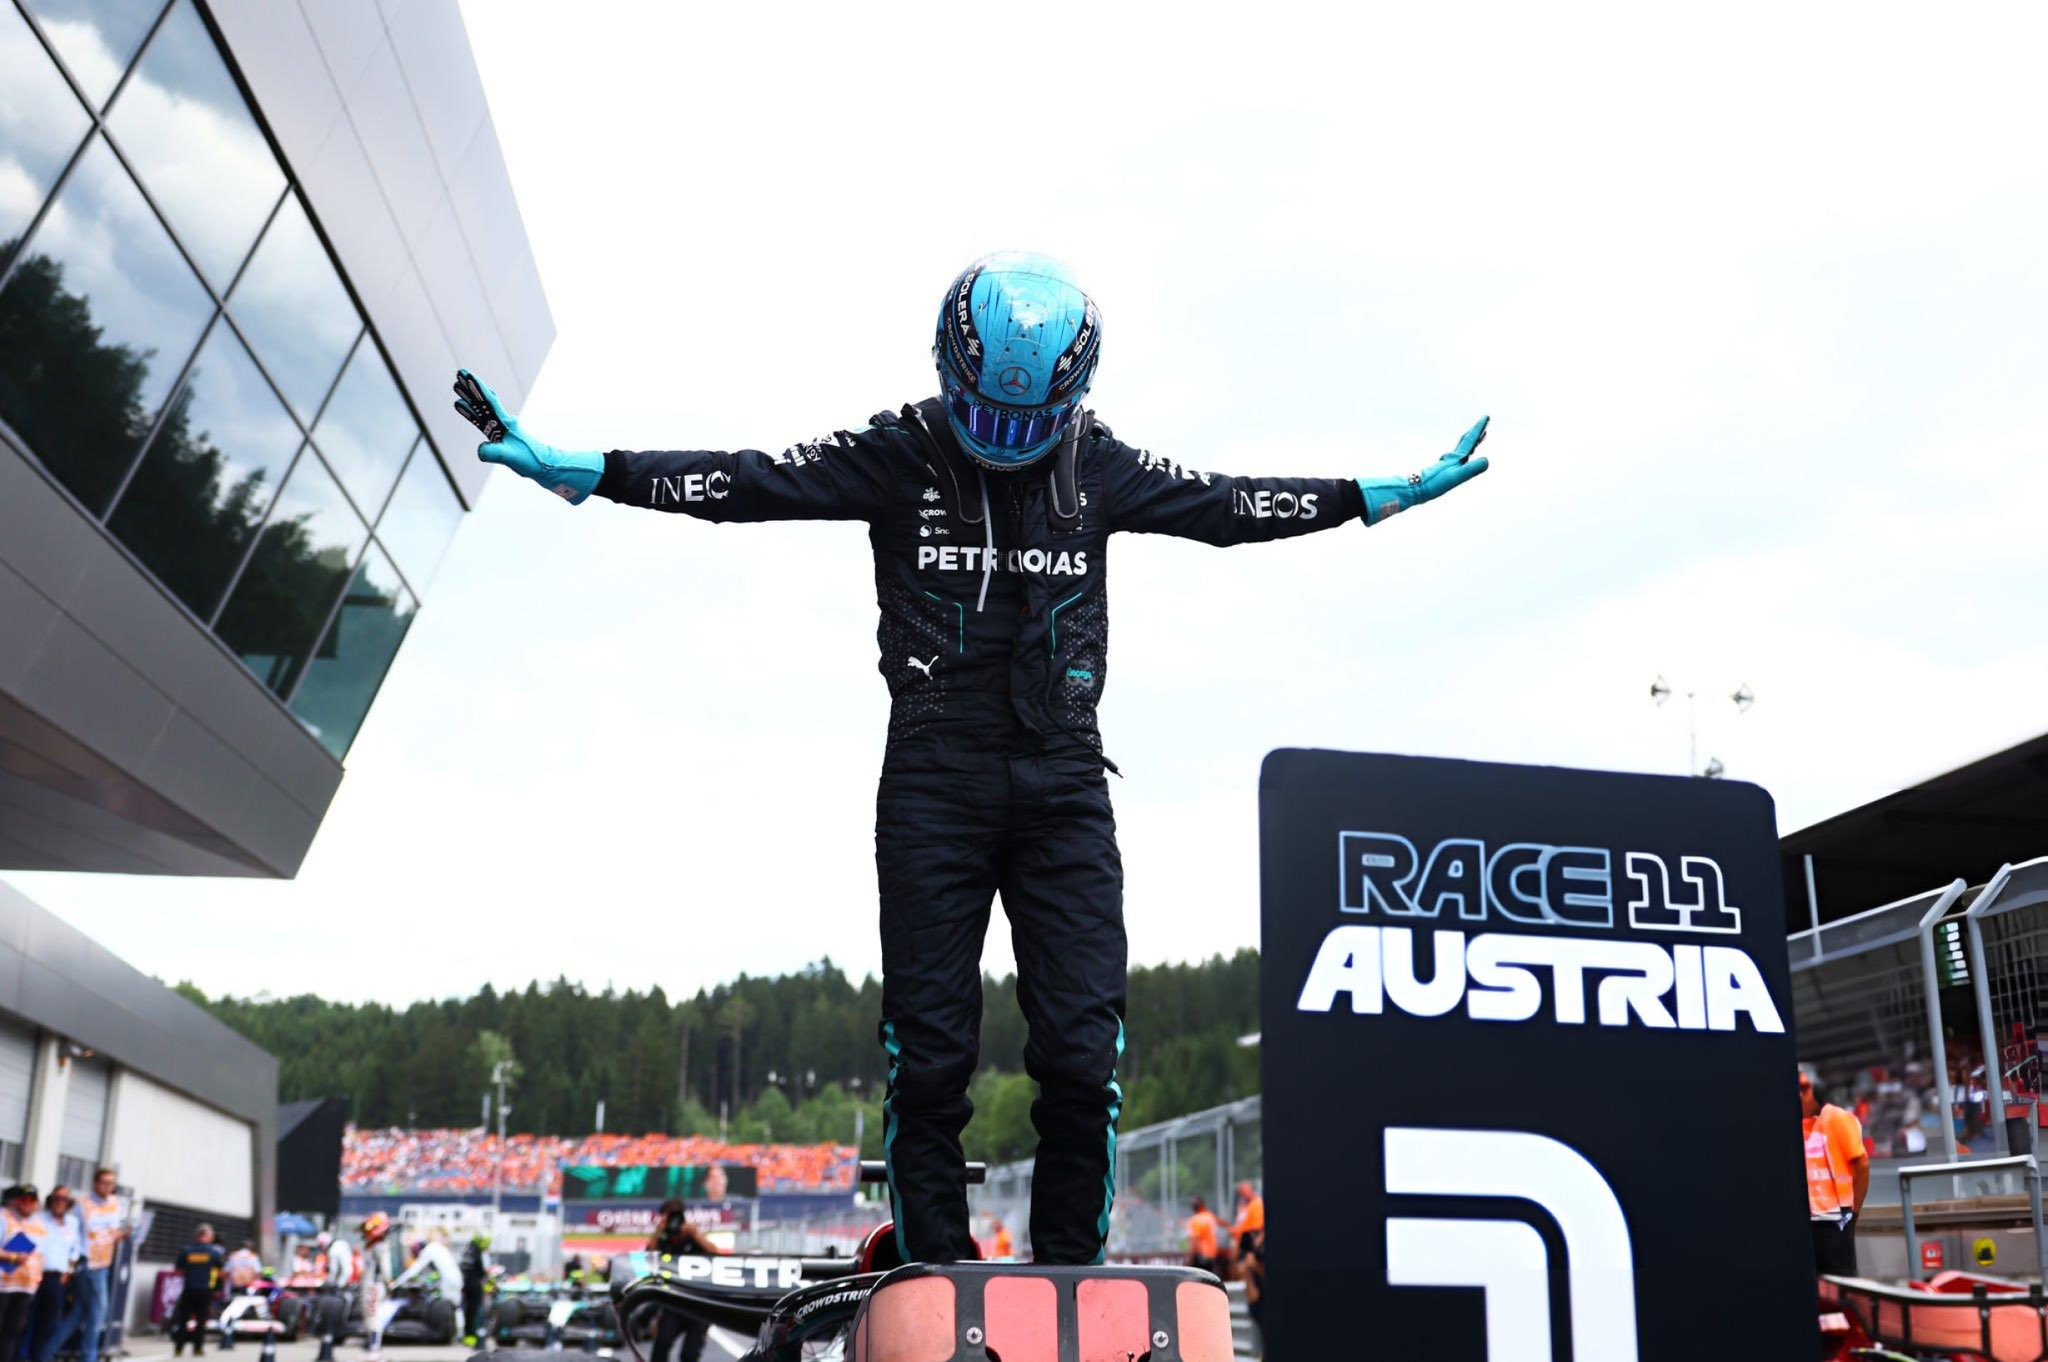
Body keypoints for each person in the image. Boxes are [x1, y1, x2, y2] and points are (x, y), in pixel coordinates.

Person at [454, 251, 1491, 1265]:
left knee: (1082, 1057)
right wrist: (591, 473)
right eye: (982, 416)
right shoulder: (896, 451)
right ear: (946, 374)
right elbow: (747, 481)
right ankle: (934, 1280)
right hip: (932, 782)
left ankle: (1072, 1282)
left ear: (1071, 399)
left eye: (1025, 424)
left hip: (1065, 784)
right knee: (930, 1059)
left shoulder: (1100, 462)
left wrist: (1376, 493)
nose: (1002, 441)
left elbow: (1229, 505)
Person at [41, 1171, 124, 1362]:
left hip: (104, 1263)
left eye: (111, 1183)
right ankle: (89, 1357)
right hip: (89, 1264)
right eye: (104, 1182)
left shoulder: (115, 1204)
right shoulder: (82, 1204)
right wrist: (73, 1263)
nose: (107, 1187)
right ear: (95, 1183)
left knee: (78, 1315)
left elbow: (112, 1232)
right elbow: (72, 1233)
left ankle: (46, 1353)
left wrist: (122, 1235)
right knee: (97, 1314)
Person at [1802, 1070, 1869, 1277]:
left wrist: (1852, 1213)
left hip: (1834, 1219)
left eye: (1805, 1089)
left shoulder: (1836, 1118)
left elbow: (1862, 1165)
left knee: (1839, 1285)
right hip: (1806, 1221)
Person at [647, 1200, 718, 1362]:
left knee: (690, 1355)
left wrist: (696, 1234)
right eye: (668, 1218)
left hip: (698, 1305)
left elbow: (715, 1253)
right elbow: (649, 1255)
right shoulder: (663, 1239)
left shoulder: (694, 1238)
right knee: (661, 1346)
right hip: (673, 1303)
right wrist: (659, 1231)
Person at [26, 1188, 77, 1362]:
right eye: (57, 1199)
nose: (60, 1202)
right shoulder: (39, 1219)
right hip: (34, 1275)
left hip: (56, 1278)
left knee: (48, 1324)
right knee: (24, 1321)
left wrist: (69, 1272)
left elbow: (75, 1251)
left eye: (64, 1199)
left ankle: (39, 1358)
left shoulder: (72, 1223)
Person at [0, 1186, 45, 1362]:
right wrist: (13, 1257)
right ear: (16, 1201)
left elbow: (40, 1254)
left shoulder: (39, 1224)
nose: (27, 1204)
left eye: (31, 1200)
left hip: (25, 1287)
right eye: (23, 1200)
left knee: (13, 1331)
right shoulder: (5, 1218)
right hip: (4, 1286)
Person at [168, 1224, 222, 1358]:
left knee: (183, 1319)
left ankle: (179, 1348)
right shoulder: (214, 1253)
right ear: (207, 1236)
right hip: (205, 1290)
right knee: (201, 1320)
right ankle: (198, 1348)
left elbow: (179, 1270)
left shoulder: (187, 1251)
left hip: (189, 1289)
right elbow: (220, 1273)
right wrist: (217, 1288)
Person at [356, 1214, 391, 1358]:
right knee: (369, 1317)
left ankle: (375, 1349)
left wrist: (390, 1284)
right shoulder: (371, 1247)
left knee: (373, 1317)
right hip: (369, 1286)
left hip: (374, 1287)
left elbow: (386, 1269)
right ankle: (372, 1346)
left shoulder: (380, 1247)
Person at [457, 1232, 489, 1348]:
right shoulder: (477, 1252)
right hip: (475, 1286)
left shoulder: (467, 1250)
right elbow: (481, 1271)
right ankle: (475, 1338)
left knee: (468, 1312)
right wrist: (486, 1278)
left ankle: (468, 1336)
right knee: (476, 1313)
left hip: (465, 1285)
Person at [1185, 1198, 1224, 1277]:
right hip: (1213, 1255)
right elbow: (1221, 1222)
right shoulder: (1210, 1216)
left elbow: (1194, 1242)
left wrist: (1189, 1260)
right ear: (1203, 1206)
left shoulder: (1195, 1220)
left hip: (1201, 1256)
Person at [1231, 1181, 1264, 1262]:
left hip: (1251, 1239)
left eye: (1244, 1192)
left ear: (1250, 1190)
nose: (1242, 1195)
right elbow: (1240, 1222)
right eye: (1241, 1193)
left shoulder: (1257, 1203)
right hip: (1241, 1240)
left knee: (1248, 1263)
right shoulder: (1242, 1205)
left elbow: (1259, 1228)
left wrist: (1257, 1242)